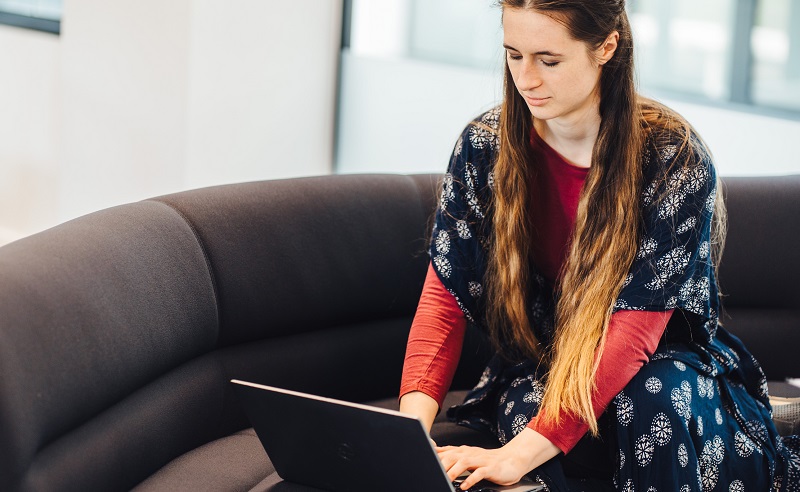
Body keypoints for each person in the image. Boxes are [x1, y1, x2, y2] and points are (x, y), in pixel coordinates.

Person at [398, 1, 800, 490]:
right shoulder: (485, 146)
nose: (526, 79)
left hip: (661, 363)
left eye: (549, 61)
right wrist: (406, 437)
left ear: (606, 47)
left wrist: (518, 454)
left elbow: (632, 336)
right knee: (533, 420)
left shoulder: (672, 157)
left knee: (650, 401)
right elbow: (444, 302)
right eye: (513, 55)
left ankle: (756, 427)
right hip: (551, 364)